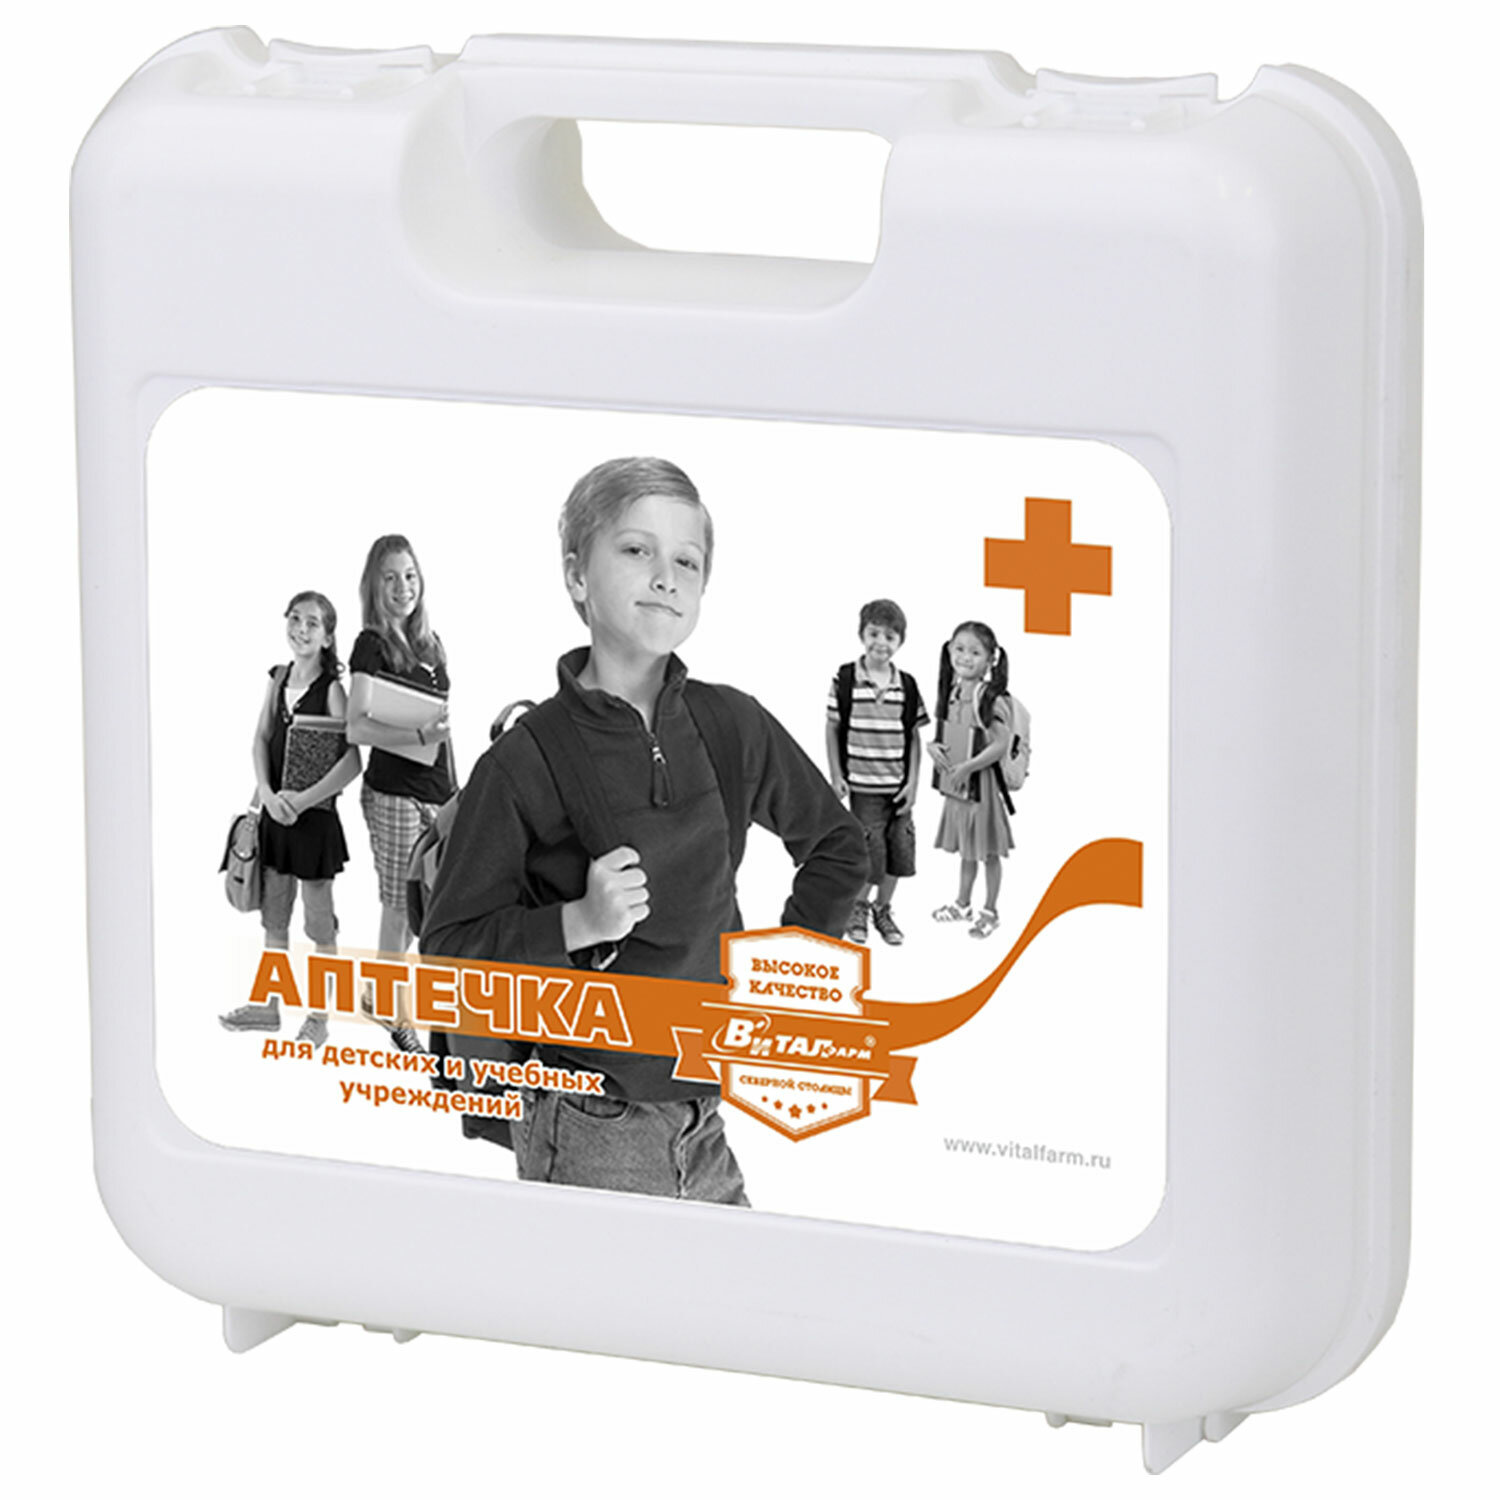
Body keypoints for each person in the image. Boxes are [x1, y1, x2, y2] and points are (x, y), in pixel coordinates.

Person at [422, 457, 866, 1204]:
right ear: (576, 576)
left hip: (704, 1116)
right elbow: (447, 955)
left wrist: (781, 978)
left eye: (687, 561)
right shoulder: (523, 763)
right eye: (636, 549)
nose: (666, 577)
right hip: (585, 1120)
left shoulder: (732, 725)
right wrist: (577, 922)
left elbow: (838, 846)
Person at [220, 590, 362, 1044]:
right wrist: (266, 793)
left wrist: (300, 802)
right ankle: (268, 1008)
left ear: (327, 637)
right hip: (274, 819)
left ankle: (319, 1017)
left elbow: (351, 762)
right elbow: (260, 739)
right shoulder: (278, 678)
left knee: (319, 925)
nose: (301, 629)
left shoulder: (333, 690)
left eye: (312, 623)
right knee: (274, 919)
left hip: (313, 823)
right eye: (295, 619)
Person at [346, 535, 453, 1052]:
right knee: (399, 904)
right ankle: (392, 1010)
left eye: (409, 575)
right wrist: (415, 736)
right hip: (394, 795)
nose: (402, 587)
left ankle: (377, 990)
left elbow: (440, 726)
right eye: (390, 577)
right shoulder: (371, 645)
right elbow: (356, 726)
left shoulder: (431, 645)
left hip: (437, 790)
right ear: (374, 585)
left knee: (428, 902)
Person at [824, 599, 928, 946]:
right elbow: (832, 727)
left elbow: (914, 736)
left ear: (901, 642)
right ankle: (858, 907)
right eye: (874, 633)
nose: (881, 642)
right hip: (863, 786)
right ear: (861, 634)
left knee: (899, 852)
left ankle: (883, 909)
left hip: (898, 788)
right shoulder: (846, 679)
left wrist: (913, 783)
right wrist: (836, 774)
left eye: (890, 636)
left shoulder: (907, 685)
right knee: (870, 854)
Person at [928, 620, 1022, 939]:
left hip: (982, 789)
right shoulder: (953, 692)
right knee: (968, 849)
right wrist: (933, 747)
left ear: (990, 659)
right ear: (948, 650)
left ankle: (990, 911)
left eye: (975, 652)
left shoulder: (989, 697)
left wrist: (968, 767)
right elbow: (951, 734)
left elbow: (1000, 744)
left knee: (989, 852)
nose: (965, 657)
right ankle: (962, 904)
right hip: (959, 788)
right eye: (959, 649)